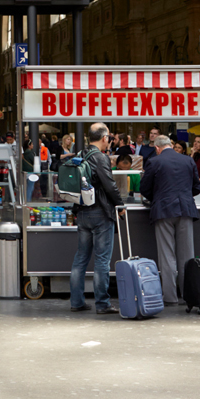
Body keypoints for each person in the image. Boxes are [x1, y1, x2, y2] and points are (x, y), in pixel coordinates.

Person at [69, 123, 123, 316]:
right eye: (109, 137)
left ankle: (76, 301)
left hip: (82, 212)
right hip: (100, 213)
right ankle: (102, 303)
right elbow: (109, 185)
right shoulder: (100, 158)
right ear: (104, 138)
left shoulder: (81, 155)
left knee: (80, 259)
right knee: (101, 260)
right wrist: (120, 206)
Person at [139, 134, 200, 306]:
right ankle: (188, 295)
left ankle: (170, 297)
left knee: (167, 255)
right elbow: (197, 187)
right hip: (186, 209)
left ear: (157, 148)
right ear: (170, 145)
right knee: (187, 255)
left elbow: (144, 188)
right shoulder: (188, 160)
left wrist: (157, 197)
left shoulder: (154, 162)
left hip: (163, 211)